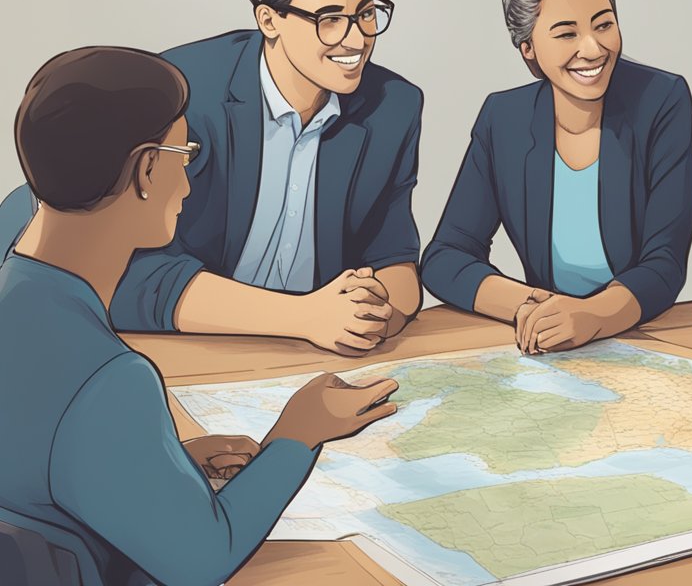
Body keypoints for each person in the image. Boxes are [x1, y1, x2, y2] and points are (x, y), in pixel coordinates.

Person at [0, 47, 398, 585]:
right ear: (145, 168)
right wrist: (297, 435)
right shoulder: (110, 379)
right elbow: (201, 561)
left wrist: (166, 466)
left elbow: (38, 468)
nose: (187, 183)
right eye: (183, 155)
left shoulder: (16, 293)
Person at [110, 0, 424, 354]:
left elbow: (395, 258)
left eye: (366, 14)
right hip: (197, 349)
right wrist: (304, 317)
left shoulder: (393, 107)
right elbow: (127, 271)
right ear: (269, 20)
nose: (357, 39)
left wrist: (378, 314)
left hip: (317, 355)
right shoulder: (183, 94)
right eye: (330, 19)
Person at [421, 0, 692, 353]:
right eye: (567, 33)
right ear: (528, 47)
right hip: (551, 339)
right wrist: (536, 307)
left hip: (637, 336)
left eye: (604, 25)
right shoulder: (504, 118)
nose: (593, 48)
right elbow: (445, 257)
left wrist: (594, 316)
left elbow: (664, 265)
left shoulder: (661, 101)